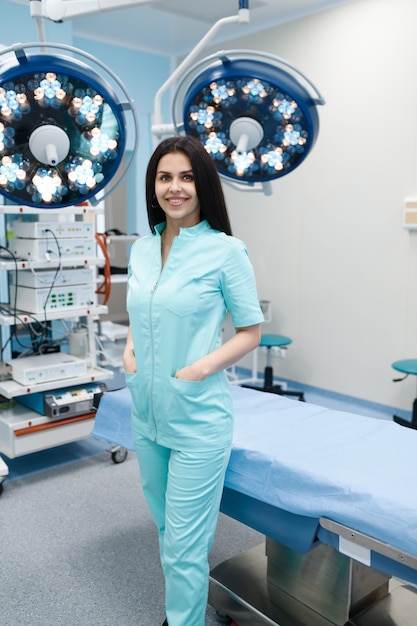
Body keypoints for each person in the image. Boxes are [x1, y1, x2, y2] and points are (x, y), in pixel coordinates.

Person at [123, 135, 263, 626]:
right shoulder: (140, 250)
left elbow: (250, 331)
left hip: (198, 419)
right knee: (167, 530)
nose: (175, 187)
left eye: (186, 177)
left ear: (202, 185)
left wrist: (201, 368)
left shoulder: (226, 252)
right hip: (147, 415)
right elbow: (139, 315)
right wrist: (130, 353)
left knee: (184, 543)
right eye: (165, 177)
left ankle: (183, 621)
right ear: (153, 185)